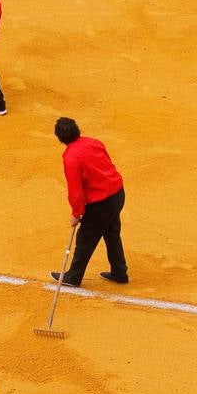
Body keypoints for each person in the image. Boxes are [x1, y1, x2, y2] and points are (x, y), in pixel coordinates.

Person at [51, 117, 129, 287]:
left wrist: (76, 213)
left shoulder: (71, 158)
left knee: (85, 237)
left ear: (60, 138)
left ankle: (73, 276)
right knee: (111, 232)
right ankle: (119, 271)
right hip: (117, 193)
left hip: (102, 203)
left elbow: (76, 192)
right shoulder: (94, 142)